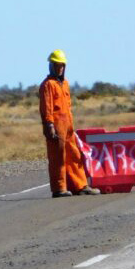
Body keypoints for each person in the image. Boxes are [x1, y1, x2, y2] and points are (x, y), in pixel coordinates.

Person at [39, 50, 99, 198]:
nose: (60, 68)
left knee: (74, 154)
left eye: (62, 65)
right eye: (57, 65)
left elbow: (68, 105)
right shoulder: (48, 85)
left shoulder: (65, 83)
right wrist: (49, 125)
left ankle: (80, 186)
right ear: (51, 66)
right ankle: (59, 188)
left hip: (68, 125)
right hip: (56, 125)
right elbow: (47, 107)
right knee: (58, 157)